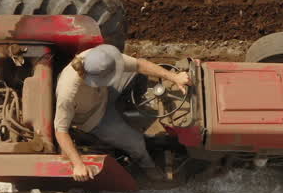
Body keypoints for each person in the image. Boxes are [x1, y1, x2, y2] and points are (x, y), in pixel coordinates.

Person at [53, 44, 191, 181]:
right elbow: (60, 131)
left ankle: (134, 103)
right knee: (136, 142)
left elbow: (139, 65)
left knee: (139, 73)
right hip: (95, 117)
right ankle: (147, 166)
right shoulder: (68, 94)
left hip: (105, 92)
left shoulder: (100, 58)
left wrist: (174, 77)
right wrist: (78, 164)